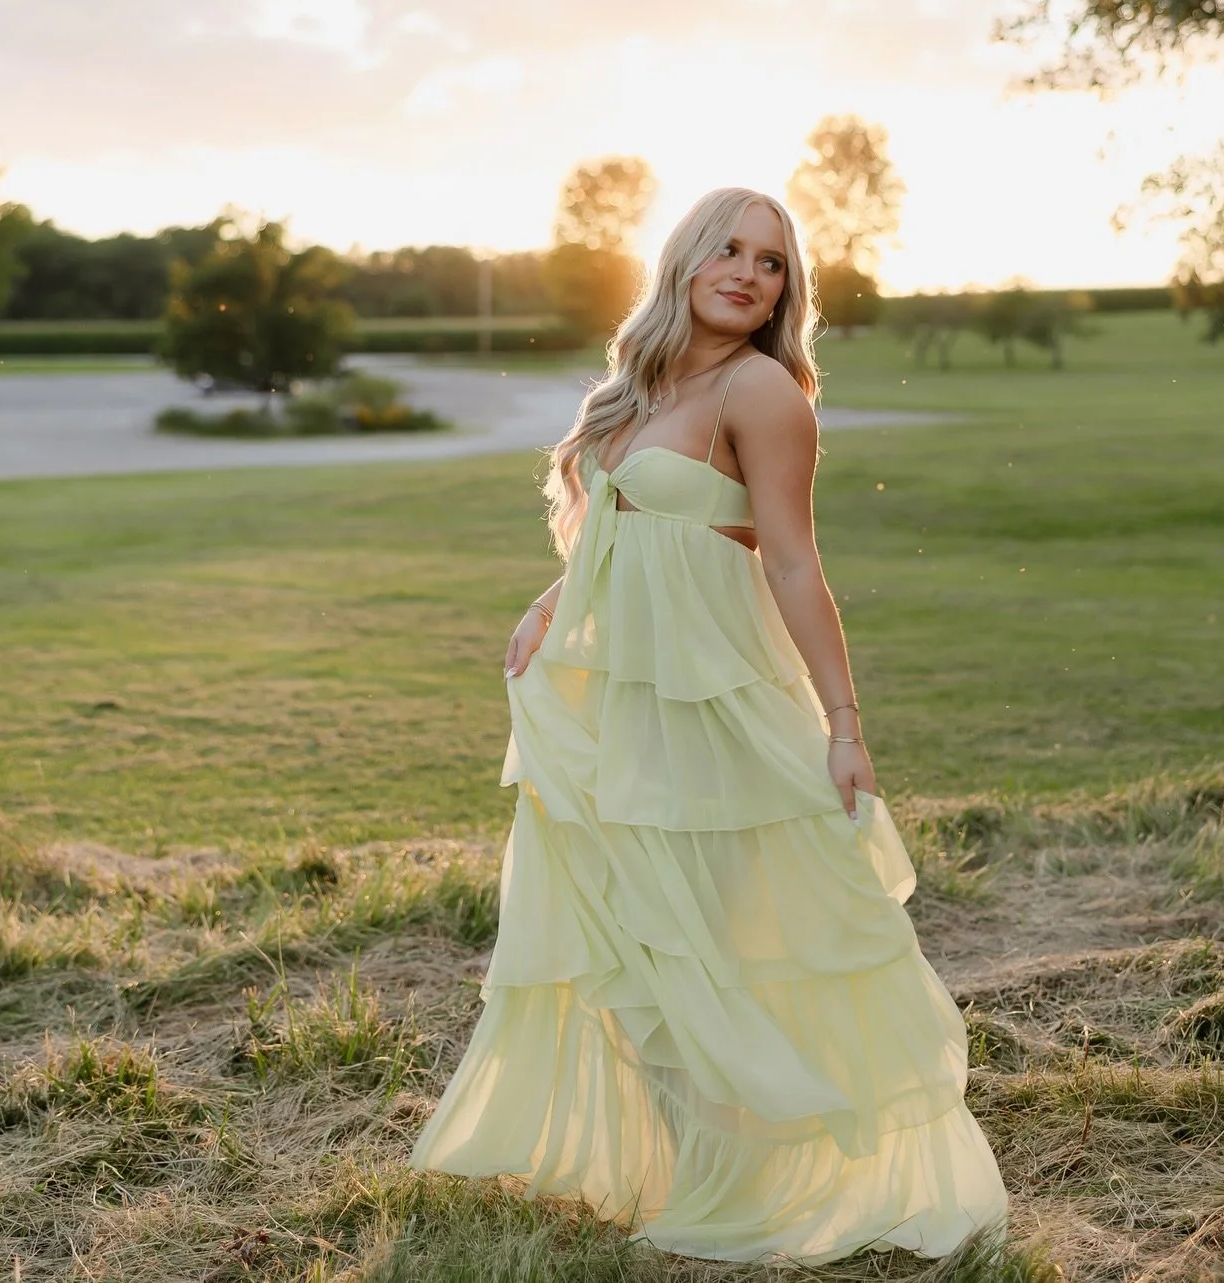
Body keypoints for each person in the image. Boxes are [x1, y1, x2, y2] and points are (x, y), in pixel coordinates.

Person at [408, 186, 1007, 1262]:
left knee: (712, 940)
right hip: (620, 695)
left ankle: (777, 1169)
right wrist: (550, 605)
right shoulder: (635, 387)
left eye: (772, 261)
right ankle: (673, 1160)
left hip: (717, 703)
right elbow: (622, 528)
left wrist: (843, 720)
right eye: (727, 249)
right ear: (683, 260)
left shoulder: (762, 389)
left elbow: (786, 560)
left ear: (789, 289)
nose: (747, 272)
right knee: (628, 931)